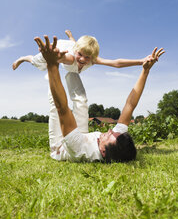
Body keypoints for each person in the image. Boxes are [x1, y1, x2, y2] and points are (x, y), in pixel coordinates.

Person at [34, 35, 165, 163]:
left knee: (55, 106)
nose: (109, 131)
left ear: (103, 151)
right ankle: (71, 72)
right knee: (81, 102)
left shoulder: (79, 147)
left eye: (108, 136)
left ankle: (51, 75)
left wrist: (52, 64)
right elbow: (130, 104)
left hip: (60, 145)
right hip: (84, 135)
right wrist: (145, 70)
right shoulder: (117, 139)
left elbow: (62, 108)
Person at [13, 30, 153, 73]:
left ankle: (71, 38)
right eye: (80, 55)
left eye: (87, 57)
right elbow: (64, 58)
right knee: (40, 65)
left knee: (74, 44)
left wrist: (140, 61)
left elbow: (115, 63)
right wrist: (53, 56)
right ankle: (23, 58)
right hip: (60, 48)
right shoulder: (71, 57)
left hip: (73, 44)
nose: (82, 59)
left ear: (93, 57)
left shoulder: (92, 58)